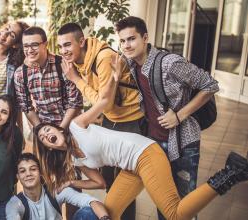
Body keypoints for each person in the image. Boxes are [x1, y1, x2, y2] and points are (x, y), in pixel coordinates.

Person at [33, 60, 248, 220]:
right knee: (108, 213)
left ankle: (230, 172)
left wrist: (114, 79)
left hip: (146, 154)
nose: (46, 136)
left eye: (47, 131)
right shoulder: (76, 161)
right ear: (48, 147)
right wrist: (71, 182)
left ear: (58, 129)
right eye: (43, 139)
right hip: (131, 168)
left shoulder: (76, 126)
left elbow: (104, 102)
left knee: (174, 213)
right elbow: (100, 182)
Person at [114, 16, 220, 219]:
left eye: (131, 39)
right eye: (122, 40)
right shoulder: (131, 62)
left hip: (182, 143)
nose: (126, 45)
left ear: (145, 38)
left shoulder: (170, 63)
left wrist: (179, 116)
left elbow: (211, 84)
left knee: (185, 204)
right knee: (165, 201)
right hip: (155, 141)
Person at [57, 22, 144, 220]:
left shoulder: (103, 58)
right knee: (111, 181)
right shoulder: (82, 62)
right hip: (111, 121)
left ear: (82, 41)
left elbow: (105, 103)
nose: (64, 51)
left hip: (129, 122)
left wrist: (75, 79)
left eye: (68, 45)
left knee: (125, 183)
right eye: (61, 46)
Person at [14, 26, 83, 129]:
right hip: (43, 128)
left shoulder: (63, 65)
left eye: (35, 45)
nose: (30, 50)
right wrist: (40, 130)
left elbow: (75, 102)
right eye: (26, 46)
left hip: (71, 126)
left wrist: (61, 129)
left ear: (45, 44)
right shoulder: (20, 73)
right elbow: (26, 106)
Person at [6, 153, 110, 220]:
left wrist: (105, 218)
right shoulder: (15, 203)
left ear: (40, 172)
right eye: (23, 171)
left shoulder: (55, 191)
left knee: (88, 212)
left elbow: (92, 202)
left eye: (33, 169)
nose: (28, 174)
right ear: (18, 177)